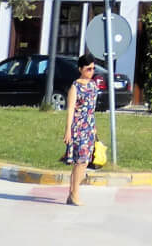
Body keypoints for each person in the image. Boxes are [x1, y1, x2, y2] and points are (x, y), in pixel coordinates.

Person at [63, 52, 102, 206]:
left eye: (93, 69)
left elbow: (91, 109)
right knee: (80, 161)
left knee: (84, 162)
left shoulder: (93, 85)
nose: (91, 72)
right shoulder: (75, 87)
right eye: (88, 69)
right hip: (78, 128)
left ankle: (72, 193)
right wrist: (68, 130)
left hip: (89, 127)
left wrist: (94, 126)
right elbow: (71, 109)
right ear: (80, 69)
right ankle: (74, 194)